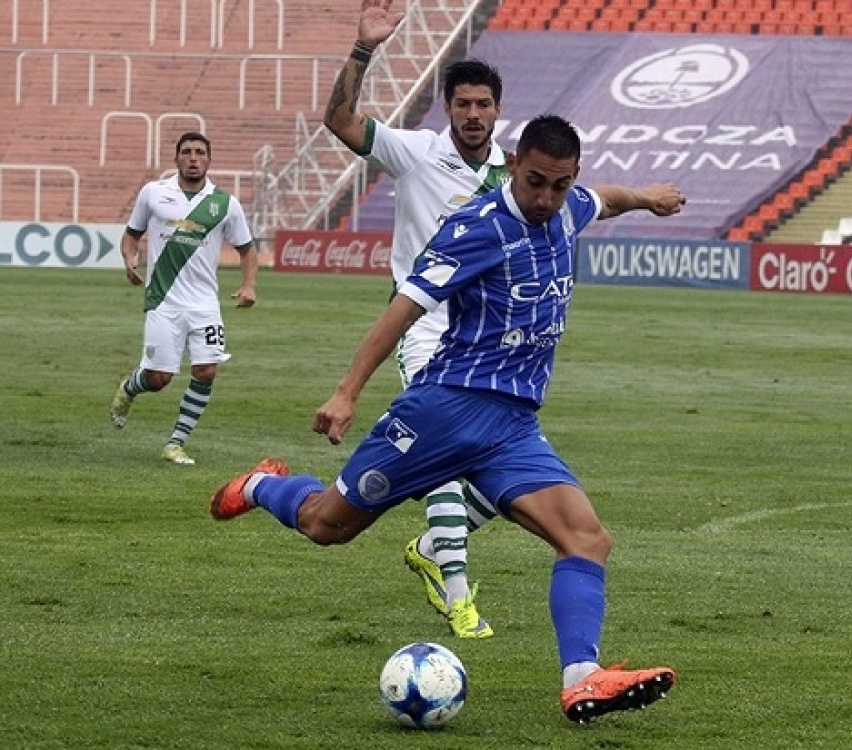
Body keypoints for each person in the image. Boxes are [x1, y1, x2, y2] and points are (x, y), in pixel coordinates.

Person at [209, 114, 686, 724]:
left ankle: (581, 679)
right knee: (327, 525)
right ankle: (260, 485)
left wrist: (647, 198)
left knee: (587, 539)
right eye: (535, 181)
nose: (545, 198)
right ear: (513, 165)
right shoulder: (476, 227)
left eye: (559, 185)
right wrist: (346, 392)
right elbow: (404, 307)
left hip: (512, 425)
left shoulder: (570, 208)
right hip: (445, 410)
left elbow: (607, 199)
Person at [323, 0, 510, 637]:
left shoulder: (514, 176)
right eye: (463, 104)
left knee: (506, 467)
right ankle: (457, 594)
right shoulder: (417, 152)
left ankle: (431, 548)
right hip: (425, 327)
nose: (474, 114)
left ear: (497, 110)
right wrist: (364, 48)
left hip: (489, 339)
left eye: (483, 104)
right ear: (447, 108)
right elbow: (340, 120)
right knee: (449, 449)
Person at [110, 131, 258, 465]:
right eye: (187, 152)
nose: (193, 158)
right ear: (176, 158)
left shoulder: (225, 204)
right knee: (159, 378)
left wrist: (249, 285)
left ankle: (175, 444)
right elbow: (131, 235)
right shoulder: (154, 193)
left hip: (205, 304)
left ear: (209, 160)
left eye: (200, 152)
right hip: (163, 300)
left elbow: (247, 250)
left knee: (206, 371)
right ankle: (130, 389)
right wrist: (129, 259)